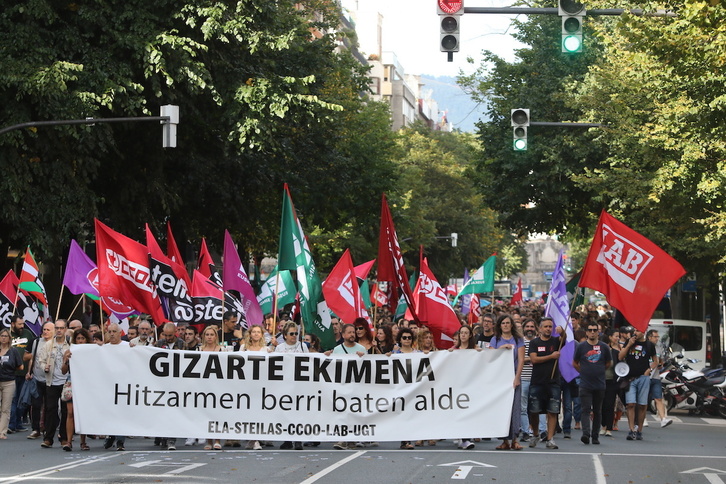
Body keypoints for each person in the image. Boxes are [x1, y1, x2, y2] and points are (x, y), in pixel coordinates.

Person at [573, 322, 612, 445]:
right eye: (590, 330)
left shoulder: (604, 347)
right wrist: (583, 371)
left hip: (599, 384)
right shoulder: (581, 346)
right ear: (586, 332)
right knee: (585, 409)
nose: (592, 332)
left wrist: (599, 371)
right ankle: (586, 434)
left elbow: (608, 363)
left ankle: (595, 436)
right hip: (585, 384)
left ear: (598, 332)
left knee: (597, 411)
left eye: (595, 330)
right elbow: (575, 362)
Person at [491, 314, 525, 451]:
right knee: (503, 409)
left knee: (515, 408)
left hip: (513, 378)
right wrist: (501, 348)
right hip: (500, 379)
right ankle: (504, 440)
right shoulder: (496, 339)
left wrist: (517, 377)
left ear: (512, 325)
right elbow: (491, 354)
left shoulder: (518, 340)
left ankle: (515, 440)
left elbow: (521, 360)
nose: (505, 325)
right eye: (503, 323)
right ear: (500, 325)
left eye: (507, 323)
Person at [36, 319, 71, 449]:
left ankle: (63, 437)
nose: (59, 330)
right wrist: (45, 367)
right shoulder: (48, 345)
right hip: (52, 381)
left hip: (66, 382)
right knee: (51, 409)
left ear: (66, 329)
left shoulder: (70, 345)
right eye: (57, 328)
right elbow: (41, 360)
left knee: (66, 411)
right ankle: (48, 438)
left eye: (62, 328)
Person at [528, 317, 561, 450]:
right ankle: (536, 434)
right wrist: (551, 357)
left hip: (553, 382)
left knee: (552, 411)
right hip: (537, 382)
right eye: (546, 326)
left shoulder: (556, 341)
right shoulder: (534, 343)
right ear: (540, 328)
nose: (548, 329)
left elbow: (565, 337)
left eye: (550, 327)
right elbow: (534, 359)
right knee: (534, 411)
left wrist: (562, 332)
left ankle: (550, 438)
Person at [618, 326, 656, 441]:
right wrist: (629, 345)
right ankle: (631, 430)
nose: (635, 332)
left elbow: (656, 361)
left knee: (642, 405)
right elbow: (620, 357)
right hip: (631, 378)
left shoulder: (649, 345)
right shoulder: (630, 343)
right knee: (630, 404)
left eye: (637, 330)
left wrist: (649, 370)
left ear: (643, 332)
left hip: (643, 378)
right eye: (634, 330)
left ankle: (639, 430)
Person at [275, 322, 307, 450]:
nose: (294, 336)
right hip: (285, 383)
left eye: (296, 333)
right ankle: (287, 439)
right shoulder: (279, 348)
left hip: (299, 384)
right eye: (291, 334)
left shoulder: (302, 346)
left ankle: (298, 439)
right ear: (285, 335)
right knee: (286, 411)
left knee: (298, 412)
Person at [61, 328, 92, 451]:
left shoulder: (91, 352)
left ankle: (83, 442)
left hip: (85, 383)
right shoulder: (69, 351)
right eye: (78, 338)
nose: (80, 341)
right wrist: (66, 360)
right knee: (70, 413)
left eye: (82, 338)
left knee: (82, 413)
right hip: (72, 382)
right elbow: (63, 371)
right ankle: (69, 441)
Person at [104, 323, 129, 451]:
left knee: (121, 414)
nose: (112, 334)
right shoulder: (104, 348)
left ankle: (120, 441)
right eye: (110, 331)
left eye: (114, 331)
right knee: (110, 413)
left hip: (123, 386)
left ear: (120, 333)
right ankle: (111, 435)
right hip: (108, 385)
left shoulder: (128, 347)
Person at [27, 322, 54, 440]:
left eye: (48, 329)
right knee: (36, 404)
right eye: (44, 329)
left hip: (50, 379)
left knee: (49, 406)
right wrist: (29, 372)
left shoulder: (55, 343)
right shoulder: (36, 342)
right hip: (37, 378)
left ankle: (47, 428)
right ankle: (35, 429)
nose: (46, 331)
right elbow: (32, 358)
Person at [197, 326, 223, 450]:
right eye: (207, 335)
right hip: (204, 385)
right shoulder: (200, 350)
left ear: (216, 336)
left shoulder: (221, 350)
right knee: (206, 413)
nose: (209, 337)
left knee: (217, 413)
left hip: (218, 385)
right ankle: (208, 440)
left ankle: (217, 439)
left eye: (211, 335)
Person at [9, 315, 34, 434]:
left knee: (21, 399)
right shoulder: (7, 334)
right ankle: (11, 424)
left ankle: (18, 423)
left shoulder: (28, 334)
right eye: (19, 324)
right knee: (12, 399)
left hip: (24, 373)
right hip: (10, 374)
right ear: (13, 324)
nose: (22, 326)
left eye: (23, 324)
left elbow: (33, 351)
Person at [646, 329, 673, 428]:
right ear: (649, 337)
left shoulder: (659, 347)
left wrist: (660, 364)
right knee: (643, 399)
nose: (657, 339)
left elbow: (660, 359)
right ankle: (643, 419)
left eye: (658, 337)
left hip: (656, 377)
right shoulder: (645, 347)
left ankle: (663, 419)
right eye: (655, 337)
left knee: (658, 398)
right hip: (646, 376)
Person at [0, 329, 24, 439]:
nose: (3, 338)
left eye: (6, 336)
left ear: (9, 338)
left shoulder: (13, 351)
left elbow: (20, 366)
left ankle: (2, 431)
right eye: (2, 336)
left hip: (9, 381)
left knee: (6, 408)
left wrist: (11, 369)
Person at [600, 328, 621, 437]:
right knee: (601, 405)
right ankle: (603, 425)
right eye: (616, 336)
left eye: (618, 336)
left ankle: (609, 427)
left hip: (612, 382)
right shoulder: (600, 351)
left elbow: (621, 366)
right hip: (600, 381)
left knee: (610, 404)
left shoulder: (617, 352)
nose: (617, 338)